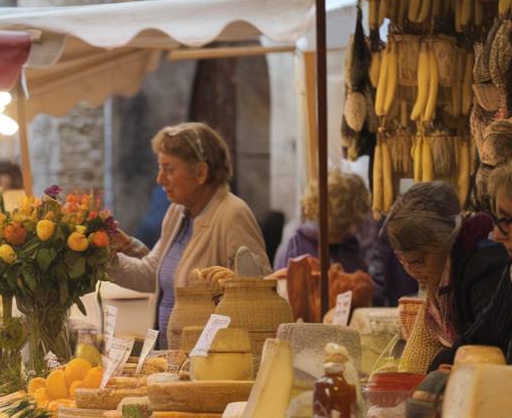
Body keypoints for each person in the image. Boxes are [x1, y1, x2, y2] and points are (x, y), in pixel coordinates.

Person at [109, 122, 270, 348]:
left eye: (169, 169)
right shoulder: (177, 212)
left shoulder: (233, 214)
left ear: (201, 172)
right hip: (171, 358)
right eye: (160, 168)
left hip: (211, 361)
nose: (160, 179)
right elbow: (150, 274)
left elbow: (258, 294)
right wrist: (103, 257)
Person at [384, 181, 510, 360]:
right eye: (403, 261)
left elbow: (484, 341)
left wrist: (439, 366)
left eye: (419, 260)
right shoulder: (444, 271)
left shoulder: (485, 265)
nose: (412, 271)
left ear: (446, 240)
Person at [435, 151, 512, 366]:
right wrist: (437, 371)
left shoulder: (489, 267)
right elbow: (480, 338)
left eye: (506, 220)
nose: (496, 234)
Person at [276, 170, 371, 274]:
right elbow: (281, 287)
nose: (340, 236)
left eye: (345, 227)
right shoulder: (295, 247)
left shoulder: (350, 246)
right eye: (337, 229)